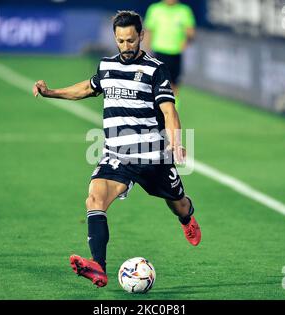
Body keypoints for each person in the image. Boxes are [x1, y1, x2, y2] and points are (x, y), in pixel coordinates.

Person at [32, 10, 201, 288]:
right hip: (117, 156)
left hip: (152, 156)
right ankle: (98, 265)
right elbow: (87, 88)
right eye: (120, 41)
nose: (125, 47)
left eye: (131, 40)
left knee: (179, 203)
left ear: (141, 36)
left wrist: (177, 141)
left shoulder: (155, 69)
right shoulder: (107, 66)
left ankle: (187, 218)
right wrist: (52, 92)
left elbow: (169, 111)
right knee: (94, 199)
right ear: (115, 38)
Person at [143, 0, 196, 110]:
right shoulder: (155, 9)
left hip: (175, 54)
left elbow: (191, 32)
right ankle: (156, 112)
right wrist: (146, 52)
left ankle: (173, 113)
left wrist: (187, 39)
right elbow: (149, 31)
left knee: (174, 86)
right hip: (158, 52)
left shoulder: (184, 10)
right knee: (157, 85)